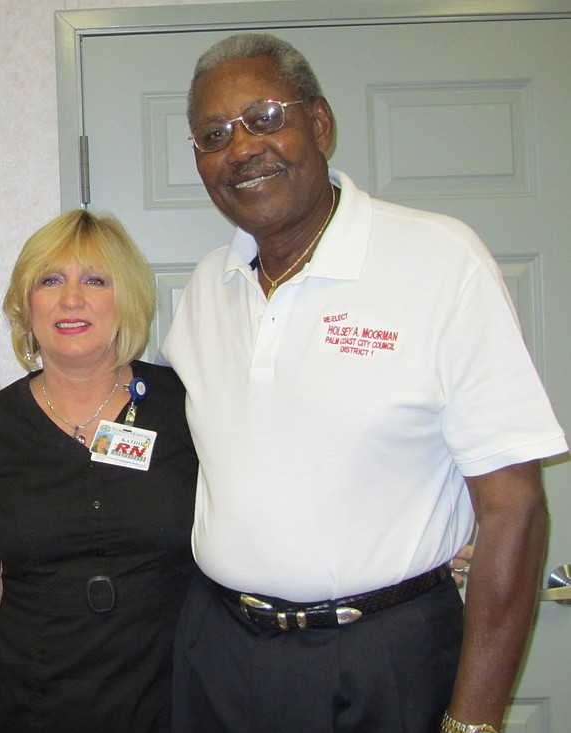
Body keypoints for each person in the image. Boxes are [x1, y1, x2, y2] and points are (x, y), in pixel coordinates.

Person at [164, 32, 567, 733]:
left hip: (385, 656)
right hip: (221, 652)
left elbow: (515, 507)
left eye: (264, 117)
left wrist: (474, 722)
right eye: (214, 134)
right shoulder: (206, 288)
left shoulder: (439, 260)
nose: (241, 148)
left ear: (319, 124)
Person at [0, 209, 198, 732]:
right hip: (33, 708)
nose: (71, 298)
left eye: (96, 280)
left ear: (125, 301)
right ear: (25, 304)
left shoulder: (187, 408)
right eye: (50, 280)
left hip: (174, 704)